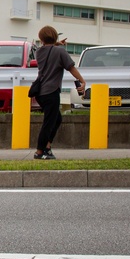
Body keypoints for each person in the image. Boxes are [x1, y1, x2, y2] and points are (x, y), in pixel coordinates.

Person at [32, 25, 86, 160]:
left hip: (40, 93)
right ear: (55, 36)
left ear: (41, 38)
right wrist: (82, 81)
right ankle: (40, 151)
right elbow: (71, 68)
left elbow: (48, 47)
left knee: (57, 119)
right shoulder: (60, 52)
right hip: (51, 92)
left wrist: (57, 44)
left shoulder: (39, 52)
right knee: (49, 122)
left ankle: (47, 148)